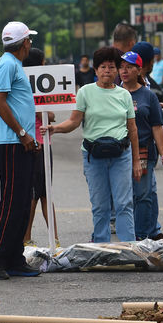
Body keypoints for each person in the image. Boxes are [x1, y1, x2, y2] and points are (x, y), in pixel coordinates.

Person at [43, 46, 141, 243]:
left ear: (116, 71)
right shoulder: (86, 92)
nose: (107, 71)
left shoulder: (124, 95)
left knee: (124, 203)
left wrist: (137, 161)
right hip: (93, 156)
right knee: (100, 204)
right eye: (103, 67)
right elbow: (74, 121)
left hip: (121, 155)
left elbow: (132, 129)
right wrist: (56, 128)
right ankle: (101, 245)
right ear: (95, 70)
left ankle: (129, 246)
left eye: (111, 67)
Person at [0, 22, 40, 279]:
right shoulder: (7, 64)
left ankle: (14, 257)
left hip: (21, 142)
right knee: (11, 201)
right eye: (29, 40)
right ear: (24, 43)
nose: (30, 44)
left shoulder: (13, 64)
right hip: (12, 142)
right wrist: (21, 133)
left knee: (21, 201)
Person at [118, 51, 163, 241]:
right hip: (119, 153)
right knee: (125, 198)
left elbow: (157, 128)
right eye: (122, 67)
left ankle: (141, 237)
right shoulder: (113, 93)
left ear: (138, 70)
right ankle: (130, 234)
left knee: (143, 195)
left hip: (144, 152)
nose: (124, 71)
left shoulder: (149, 96)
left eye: (129, 67)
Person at [21, 48, 60, 248]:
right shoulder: (31, 85)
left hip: (40, 142)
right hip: (39, 143)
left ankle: (42, 238)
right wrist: (48, 114)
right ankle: (29, 238)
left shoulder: (28, 83)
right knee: (39, 194)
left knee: (41, 194)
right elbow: (46, 114)